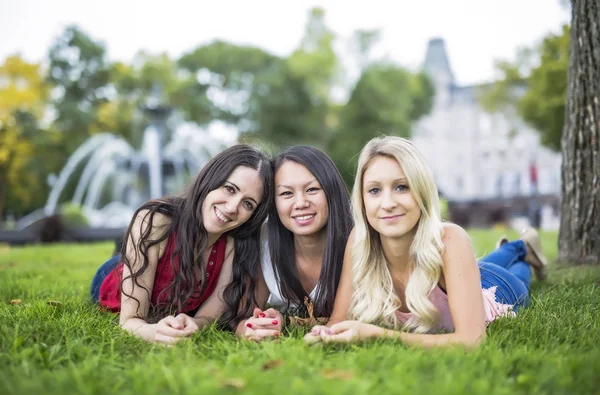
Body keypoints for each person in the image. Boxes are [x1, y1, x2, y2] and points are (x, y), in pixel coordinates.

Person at [306, 136, 548, 348]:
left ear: (421, 191)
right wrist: (327, 333)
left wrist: (377, 335)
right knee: (482, 265)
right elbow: (339, 318)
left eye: (401, 187)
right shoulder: (359, 241)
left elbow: (472, 341)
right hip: (464, 275)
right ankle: (515, 247)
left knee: (519, 276)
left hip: (497, 289)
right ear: (362, 199)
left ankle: (523, 248)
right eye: (374, 190)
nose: (387, 203)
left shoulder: (450, 238)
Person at [90, 144, 279, 344]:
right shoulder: (156, 221)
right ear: (211, 179)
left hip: (177, 294)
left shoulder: (233, 243)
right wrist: (156, 332)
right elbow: (129, 321)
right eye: (230, 189)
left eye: (248, 203)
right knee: (120, 265)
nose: (232, 207)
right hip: (114, 277)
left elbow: (208, 316)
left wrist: (193, 324)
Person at [255, 145, 353, 329]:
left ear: (332, 191)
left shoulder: (359, 240)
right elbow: (247, 315)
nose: (300, 203)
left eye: (312, 189)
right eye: (286, 193)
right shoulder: (264, 240)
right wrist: (261, 323)